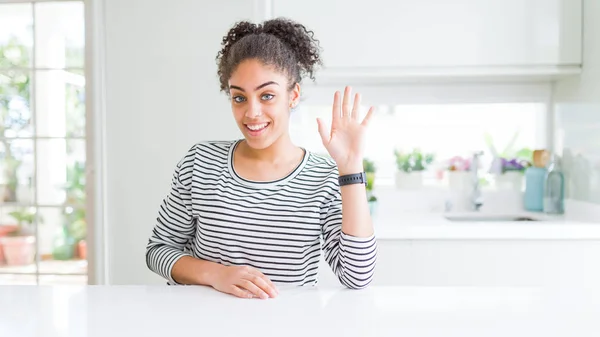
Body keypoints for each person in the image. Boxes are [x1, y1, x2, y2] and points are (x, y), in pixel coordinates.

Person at [145, 17, 377, 299]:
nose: (252, 113)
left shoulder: (324, 176)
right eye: (239, 98)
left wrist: (351, 166)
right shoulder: (200, 162)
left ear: (293, 96)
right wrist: (216, 274)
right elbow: (158, 250)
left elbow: (357, 276)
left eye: (267, 95)